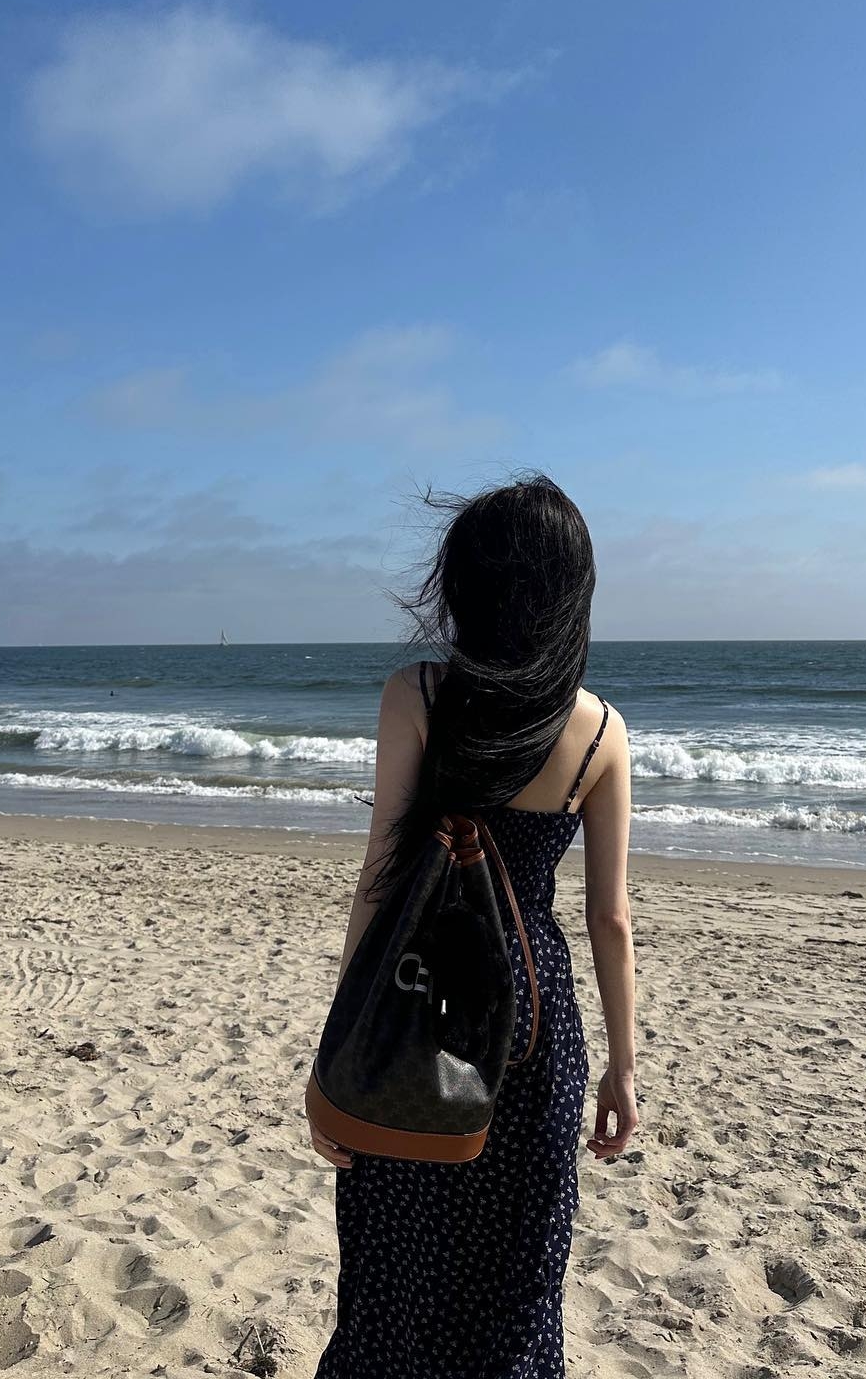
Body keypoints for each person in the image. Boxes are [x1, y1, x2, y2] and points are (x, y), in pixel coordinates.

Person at [310, 475, 638, 1379]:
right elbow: (609, 919)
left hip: (417, 1001)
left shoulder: (415, 695)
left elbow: (381, 878)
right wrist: (623, 1066)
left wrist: (342, 1046)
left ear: (465, 585)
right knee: (516, 1287)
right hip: (534, 1022)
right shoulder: (602, 731)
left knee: (394, 1274)